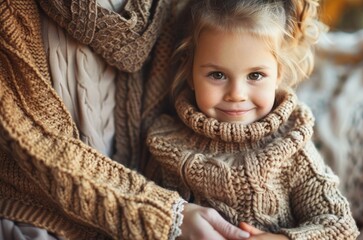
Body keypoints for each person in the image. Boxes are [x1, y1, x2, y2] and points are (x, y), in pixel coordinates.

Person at [0, 0, 251, 239]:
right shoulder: (11, 12)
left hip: (156, 201)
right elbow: (37, 142)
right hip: (36, 212)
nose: (238, 94)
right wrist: (168, 215)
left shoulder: (174, 11)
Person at [146, 0, 360, 239]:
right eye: (217, 75)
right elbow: (142, 215)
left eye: (255, 75)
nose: (236, 93)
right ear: (190, 75)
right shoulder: (165, 144)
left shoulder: (291, 149)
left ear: (278, 75)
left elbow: (340, 225)